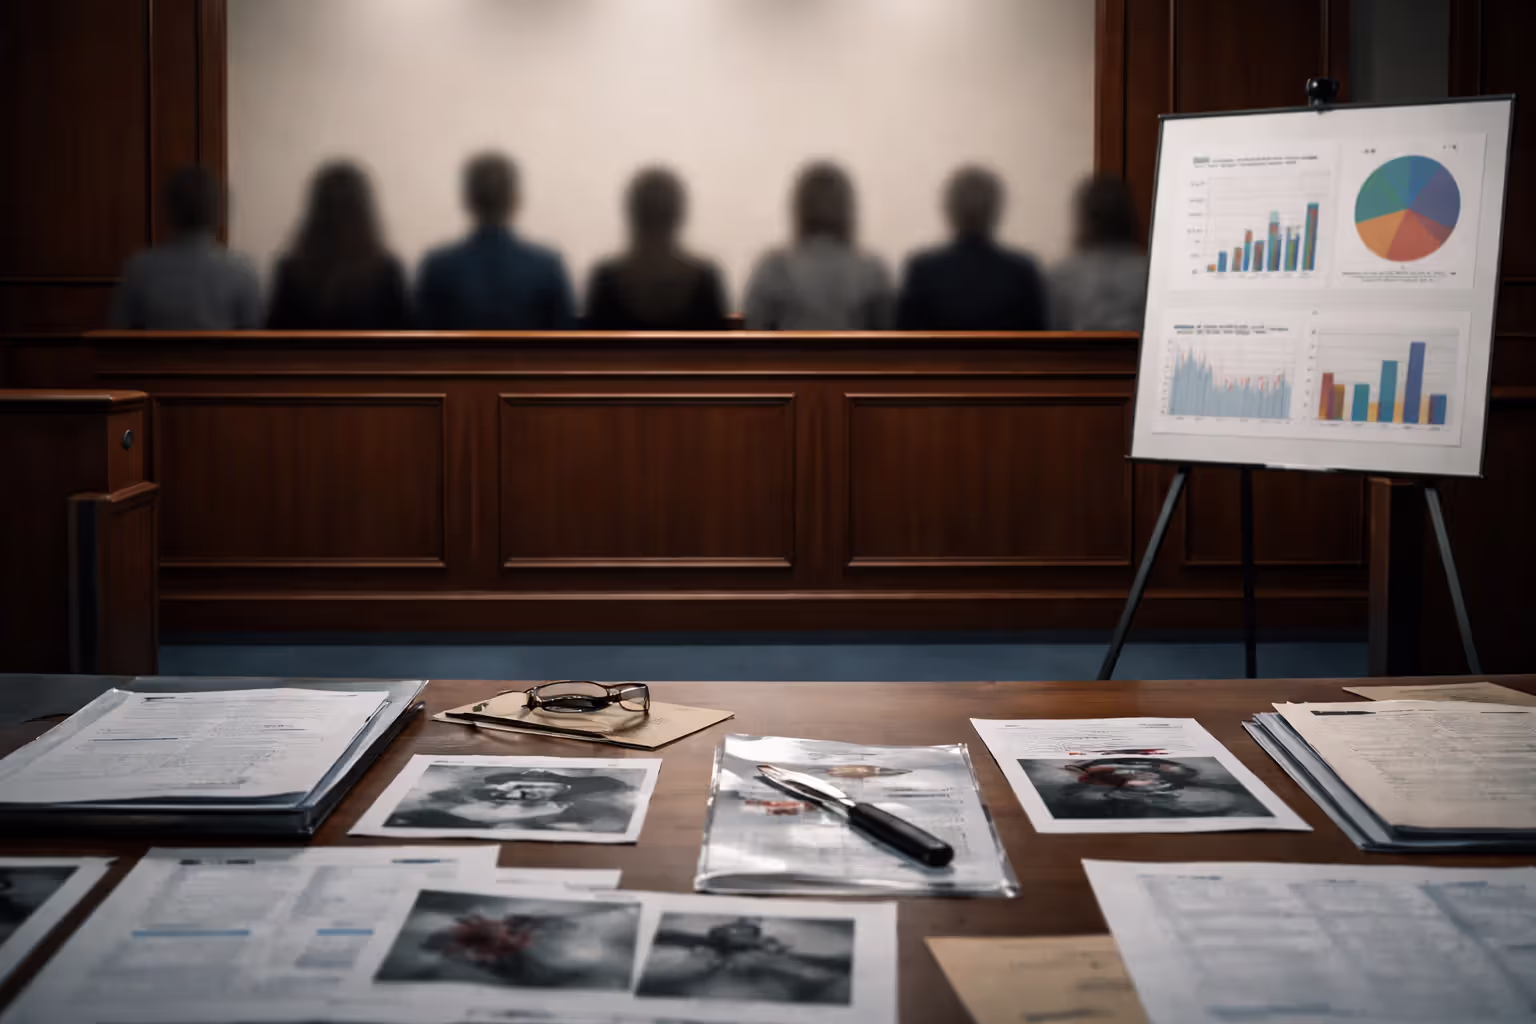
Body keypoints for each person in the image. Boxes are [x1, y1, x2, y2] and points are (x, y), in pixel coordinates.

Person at [415, 153, 577, 330]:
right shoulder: (547, 266)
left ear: (468, 199)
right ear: (516, 199)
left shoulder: (438, 267)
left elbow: (422, 344)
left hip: (457, 359)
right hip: (527, 359)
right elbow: (565, 344)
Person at [743, 162, 893, 330]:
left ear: (799, 208)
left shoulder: (773, 267)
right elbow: (888, 336)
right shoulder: (872, 270)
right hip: (855, 356)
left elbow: (753, 333)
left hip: (788, 356)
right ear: (847, 209)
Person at [109, 165, 262, 329]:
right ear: (219, 215)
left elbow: (116, 335)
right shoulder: (242, 270)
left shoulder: (139, 269)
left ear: (169, 211)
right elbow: (257, 340)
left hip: (157, 356)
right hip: (222, 355)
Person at [896, 166, 1048, 331]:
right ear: (996, 210)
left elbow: (904, 345)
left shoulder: (923, 269)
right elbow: (1038, 346)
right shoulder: (1022, 271)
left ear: (949, 209)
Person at [266, 162, 410, 329]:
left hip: (306, 356)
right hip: (371, 356)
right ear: (363, 210)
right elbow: (405, 343)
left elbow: (273, 341)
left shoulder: (291, 271)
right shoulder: (386, 271)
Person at [585, 168, 727, 330]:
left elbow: (591, 351)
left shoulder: (605, 277)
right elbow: (718, 352)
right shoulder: (706, 277)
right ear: (678, 214)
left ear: (632, 213)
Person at [1049, 175, 1149, 331]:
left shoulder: (1061, 275)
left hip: (1079, 355)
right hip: (1138, 355)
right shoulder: (1150, 272)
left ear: (1085, 218)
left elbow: (1051, 336)